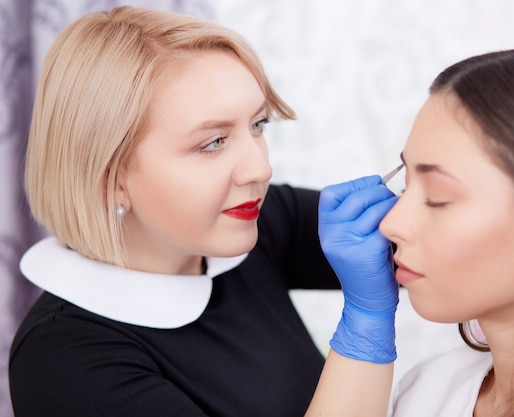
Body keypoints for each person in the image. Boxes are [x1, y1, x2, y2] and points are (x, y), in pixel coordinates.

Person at [9, 6, 341, 417]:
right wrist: (365, 328)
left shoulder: (255, 221)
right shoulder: (64, 361)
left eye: (258, 125)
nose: (260, 169)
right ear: (111, 178)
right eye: (214, 142)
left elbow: (426, 238)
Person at [306, 46, 514, 417]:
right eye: (407, 187)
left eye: (438, 196)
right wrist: (364, 322)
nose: (391, 224)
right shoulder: (428, 391)